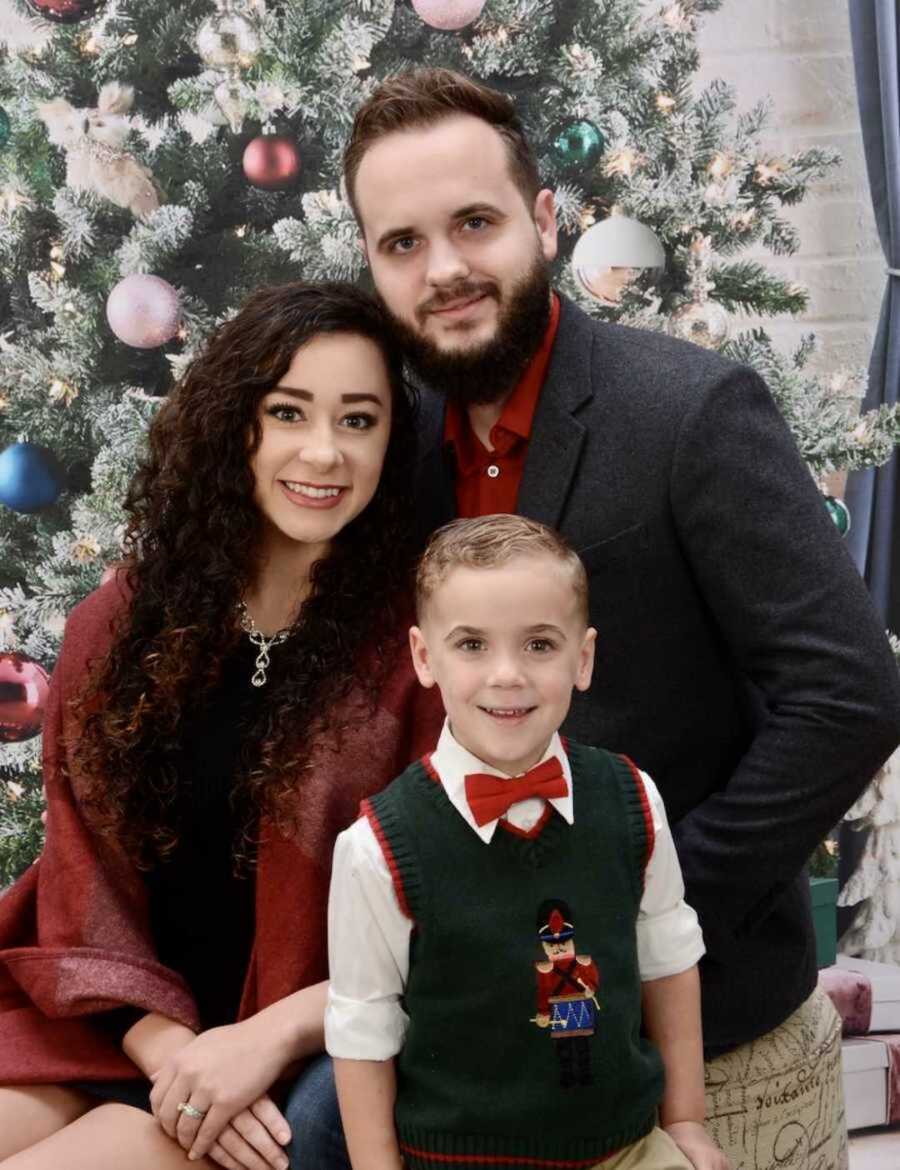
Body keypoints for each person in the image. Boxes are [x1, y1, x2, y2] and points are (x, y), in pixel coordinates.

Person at [333, 67, 900, 1168]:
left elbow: (850, 689)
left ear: (546, 221)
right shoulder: (387, 447)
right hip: (472, 1082)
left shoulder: (688, 410)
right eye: (401, 243)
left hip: (716, 1055)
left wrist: (651, 908)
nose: (443, 269)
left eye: (476, 224)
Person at [0, 282, 442, 1170]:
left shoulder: (420, 647)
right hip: (118, 1026)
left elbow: (449, 910)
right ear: (232, 423)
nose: (323, 452)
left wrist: (267, 1038)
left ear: (392, 444)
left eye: (359, 420)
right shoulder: (119, 625)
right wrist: (170, 1052)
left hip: (292, 1042)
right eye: (288, 412)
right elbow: (81, 876)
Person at [327, 514, 728, 1170]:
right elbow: (363, 1030)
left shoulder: (631, 798)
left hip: (628, 1148)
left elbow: (668, 960)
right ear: (424, 658)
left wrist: (685, 1121)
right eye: (472, 645)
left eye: (540, 645)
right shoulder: (376, 847)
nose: (507, 674)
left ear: (584, 658)